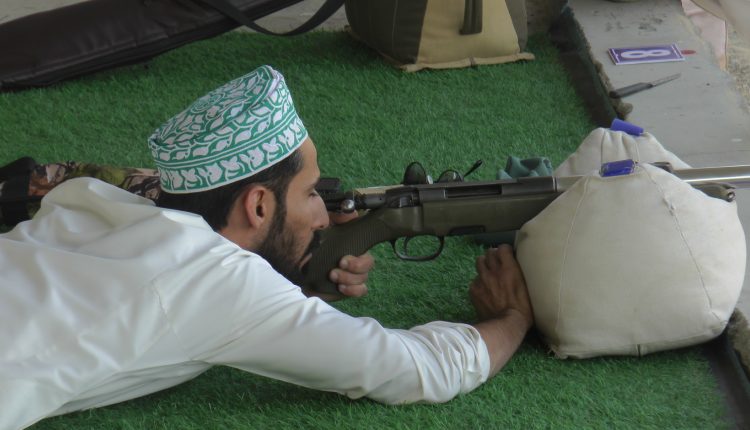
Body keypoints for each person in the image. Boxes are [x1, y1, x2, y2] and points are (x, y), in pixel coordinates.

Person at [0, 65, 534, 429]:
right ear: (258, 206)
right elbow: (420, 369)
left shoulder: (85, 201)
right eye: (310, 193)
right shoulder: (220, 281)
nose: (322, 215)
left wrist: (292, 279)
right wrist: (512, 317)